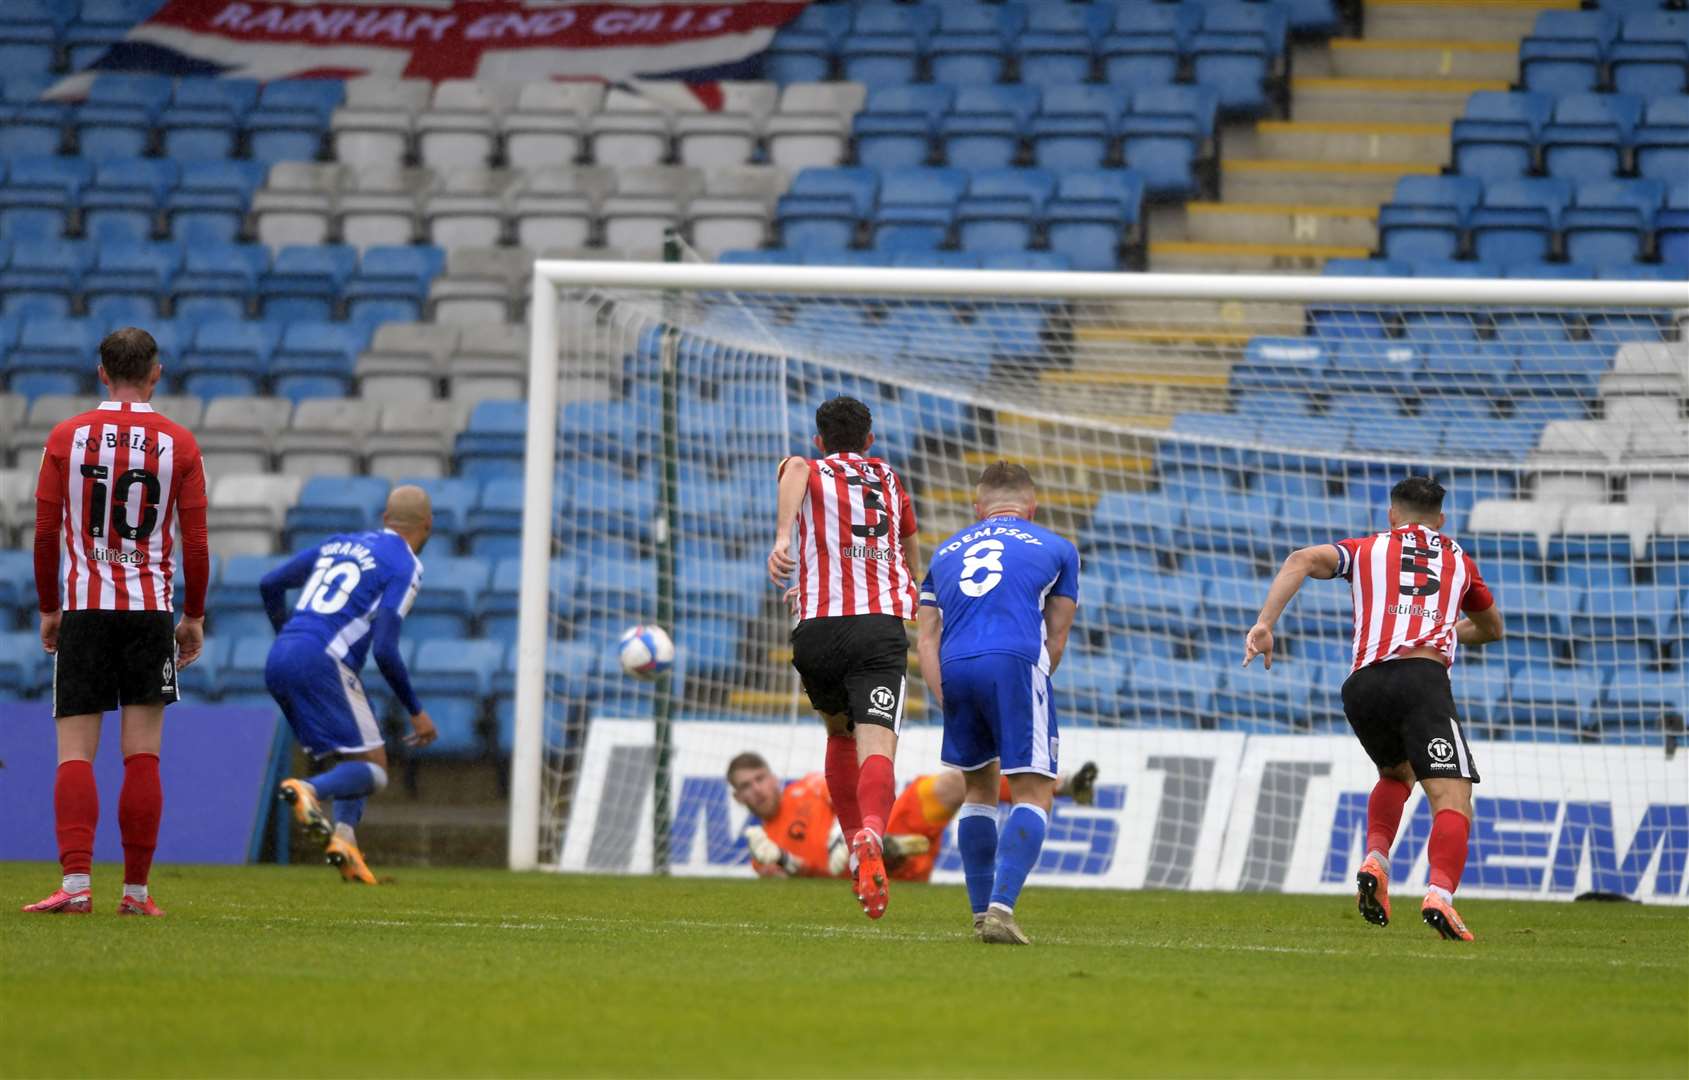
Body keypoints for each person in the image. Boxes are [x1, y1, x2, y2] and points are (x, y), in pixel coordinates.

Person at [1244, 475, 1503, 941]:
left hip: (1362, 685)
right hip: (1420, 679)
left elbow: (1300, 559)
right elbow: (1490, 627)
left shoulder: (1366, 549)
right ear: (1441, 520)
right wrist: (1444, 630)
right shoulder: (1459, 559)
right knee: (1452, 798)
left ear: (1391, 514)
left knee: (1396, 774)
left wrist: (1265, 624)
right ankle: (1440, 896)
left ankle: (1376, 860)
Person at [23, 327, 210, 917]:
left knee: (75, 754)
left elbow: (47, 533)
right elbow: (197, 542)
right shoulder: (179, 443)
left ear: (102, 372)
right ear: (156, 373)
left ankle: (76, 888)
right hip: (148, 610)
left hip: (83, 607)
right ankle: (136, 894)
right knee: (142, 754)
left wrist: (49, 607)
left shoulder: (66, 437)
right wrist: (195, 615)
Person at [767, 396, 920, 919]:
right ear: (870, 441)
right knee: (877, 741)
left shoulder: (808, 467)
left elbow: (793, 469)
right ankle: (872, 835)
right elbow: (906, 545)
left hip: (816, 632)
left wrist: (783, 539)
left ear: (819, 440)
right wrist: (911, 591)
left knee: (838, 734)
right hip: (877, 630)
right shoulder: (890, 480)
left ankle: (853, 838)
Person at [916, 462, 1080, 945]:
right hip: (1014, 661)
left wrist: (942, 690)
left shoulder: (944, 552)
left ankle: (977, 912)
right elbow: (1057, 631)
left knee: (978, 790)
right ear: (1031, 508)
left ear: (977, 507)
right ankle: (1002, 909)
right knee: (1034, 792)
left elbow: (926, 637)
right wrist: (1034, 682)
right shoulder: (1057, 547)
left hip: (955, 666)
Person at [261, 486, 437, 885]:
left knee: (355, 756)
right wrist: (416, 710)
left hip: (281, 657)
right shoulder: (405, 564)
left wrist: (288, 638)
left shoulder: (339, 543)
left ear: (386, 518)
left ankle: (345, 842)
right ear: (428, 525)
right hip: (325, 660)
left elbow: (270, 584)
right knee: (374, 770)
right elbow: (386, 650)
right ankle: (307, 789)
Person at [726, 752, 1099, 882]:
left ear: (773, 777)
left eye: (759, 779)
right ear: (737, 797)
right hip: (870, 881)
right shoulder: (764, 846)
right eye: (746, 786)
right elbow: (788, 893)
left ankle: (1064, 784)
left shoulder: (805, 788)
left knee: (953, 783)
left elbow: (847, 795)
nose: (756, 789)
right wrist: (783, 864)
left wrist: (847, 837)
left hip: (886, 829)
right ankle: (885, 854)